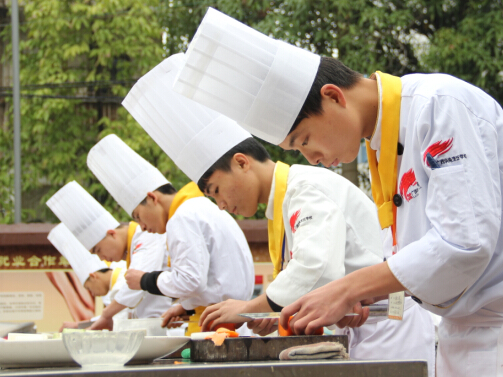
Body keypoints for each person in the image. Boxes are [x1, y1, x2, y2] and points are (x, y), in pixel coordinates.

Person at [172, 7, 503, 376]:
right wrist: (368, 300)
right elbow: (418, 263)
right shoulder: (382, 144)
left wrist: (349, 288)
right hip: (467, 334)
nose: (313, 158)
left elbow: (463, 244)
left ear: (333, 97)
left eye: (305, 140)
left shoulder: (439, 105)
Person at [123, 54, 436, 372]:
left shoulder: (304, 188)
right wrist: (271, 312)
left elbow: (316, 266)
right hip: (362, 329)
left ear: (242, 163)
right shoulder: (285, 203)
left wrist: (252, 307)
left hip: (390, 328)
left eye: (216, 190)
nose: (221, 205)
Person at [87, 133, 254, 336]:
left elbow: (190, 281)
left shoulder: (181, 217)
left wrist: (145, 280)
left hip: (217, 327)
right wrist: (186, 307)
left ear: (152, 198)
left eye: (139, 216)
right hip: (226, 319)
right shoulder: (199, 207)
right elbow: (215, 277)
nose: (142, 227)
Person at [46, 181, 171, 329]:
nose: (101, 258)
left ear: (111, 234)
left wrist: (106, 314)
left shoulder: (147, 236)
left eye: (98, 250)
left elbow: (136, 284)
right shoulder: (135, 246)